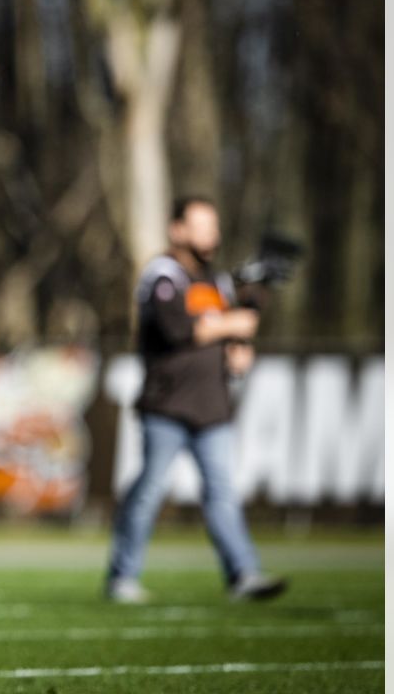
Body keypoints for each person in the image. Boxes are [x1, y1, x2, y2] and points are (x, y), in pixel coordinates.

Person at [105, 196, 288, 604]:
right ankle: (122, 576)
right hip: (167, 406)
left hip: (213, 406)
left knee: (222, 493)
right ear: (177, 230)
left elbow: (235, 332)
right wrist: (234, 322)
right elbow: (175, 329)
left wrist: (241, 337)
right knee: (150, 491)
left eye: (214, 226)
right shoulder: (162, 275)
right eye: (201, 225)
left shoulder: (219, 282)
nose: (212, 235)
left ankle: (243, 574)